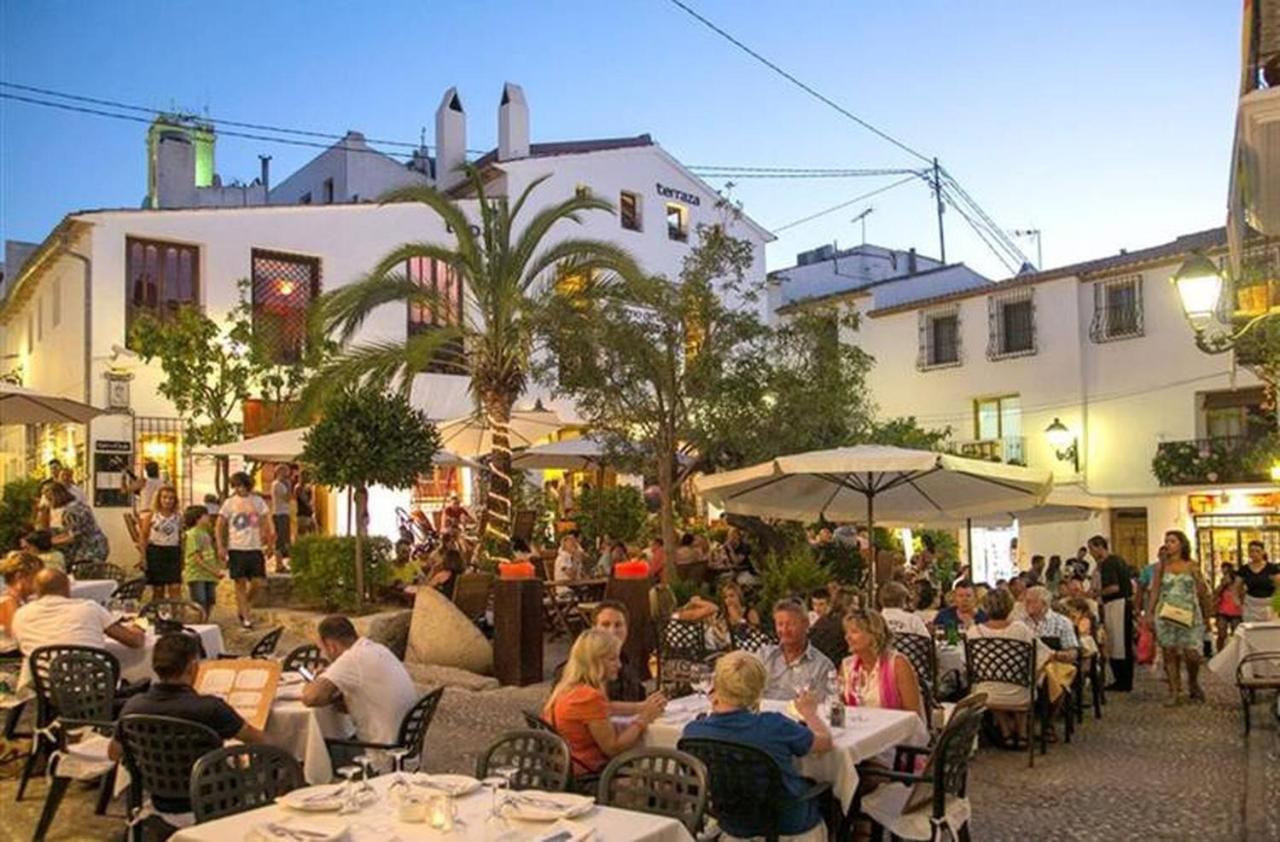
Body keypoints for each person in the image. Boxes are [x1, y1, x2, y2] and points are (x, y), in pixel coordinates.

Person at [681, 651, 832, 839]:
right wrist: (810, 713)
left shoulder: (693, 732)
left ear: (717, 686)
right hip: (786, 822)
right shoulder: (775, 726)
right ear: (759, 688)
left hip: (732, 822)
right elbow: (825, 743)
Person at [108, 633, 266, 812]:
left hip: (158, 795)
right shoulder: (210, 708)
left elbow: (114, 753)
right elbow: (258, 740)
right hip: (213, 797)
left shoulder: (133, 707)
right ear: (193, 667)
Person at [302, 615, 418, 770]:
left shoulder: (351, 659)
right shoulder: (376, 648)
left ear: (331, 646)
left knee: (310, 750)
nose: (324, 655)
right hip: (404, 748)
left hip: (380, 753)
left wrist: (312, 683)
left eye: (322, 649)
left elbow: (310, 697)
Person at [543, 629, 665, 776]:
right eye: (612, 659)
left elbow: (607, 707)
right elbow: (613, 748)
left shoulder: (567, 687)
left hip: (562, 768)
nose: (619, 665)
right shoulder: (588, 697)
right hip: (587, 774)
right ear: (594, 661)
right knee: (658, 780)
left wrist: (641, 706)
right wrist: (644, 719)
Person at [12, 569, 145, 692]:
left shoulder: (21, 614)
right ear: (68, 588)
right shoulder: (89, 608)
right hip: (93, 686)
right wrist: (139, 625)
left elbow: (21, 647)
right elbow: (135, 642)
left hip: (47, 687)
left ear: (37, 589)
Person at [966, 588, 1049, 748]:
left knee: (992, 682)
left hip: (985, 694)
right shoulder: (1021, 629)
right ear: (1011, 607)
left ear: (984, 607)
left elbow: (967, 664)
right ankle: (1022, 733)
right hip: (1019, 692)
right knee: (1024, 679)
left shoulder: (973, 632)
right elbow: (1042, 655)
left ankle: (1006, 732)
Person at [1147, 531, 1212, 706]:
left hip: (1189, 613)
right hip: (1166, 613)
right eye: (1166, 541)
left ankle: (1193, 681)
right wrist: (1149, 613)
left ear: (1181, 544)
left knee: (1192, 654)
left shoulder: (1192, 565)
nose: (1168, 544)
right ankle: (1174, 690)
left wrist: (1207, 615)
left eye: (1172, 541)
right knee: (1169, 652)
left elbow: (1202, 591)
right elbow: (1155, 591)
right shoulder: (1161, 567)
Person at [840, 609, 925, 721]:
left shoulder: (897, 664)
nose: (847, 637)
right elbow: (841, 707)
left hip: (897, 732)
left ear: (873, 635)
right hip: (860, 730)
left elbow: (913, 715)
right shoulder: (847, 666)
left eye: (854, 632)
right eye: (847, 632)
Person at [216, 471, 275, 630]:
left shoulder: (257, 501)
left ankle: (244, 605)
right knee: (239, 583)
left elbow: (266, 520)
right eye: (236, 486)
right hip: (236, 547)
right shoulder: (229, 503)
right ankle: (246, 617)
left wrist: (270, 543)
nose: (239, 489)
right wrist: (221, 546)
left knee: (258, 582)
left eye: (241, 486)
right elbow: (220, 524)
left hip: (254, 547)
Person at [758, 599, 835, 701]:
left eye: (791, 624)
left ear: (806, 624)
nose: (785, 630)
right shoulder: (764, 656)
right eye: (780, 624)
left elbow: (823, 707)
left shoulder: (822, 666)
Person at [1090, 535, 1135, 692]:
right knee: (1118, 643)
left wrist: (1095, 594)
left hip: (1117, 605)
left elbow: (1113, 587)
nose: (1091, 553)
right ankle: (1122, 679)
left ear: (1099, 547)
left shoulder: (1109, 563)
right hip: (1118, 604)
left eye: (1092, 549)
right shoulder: (1116, 560)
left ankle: (1123, 681)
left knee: (1119, 643)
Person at [590, 600, 656, 706]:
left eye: (618, 625)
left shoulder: (626, 661)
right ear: (593, 629)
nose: (612, 631)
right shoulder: (584, 668)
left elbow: (640, 698)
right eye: (605, 625)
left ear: (627, 629)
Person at [44, 481, 109, 569]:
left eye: (49, 499)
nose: (47, 503)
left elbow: (74, 537)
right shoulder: (77, 504)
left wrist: (50, 542)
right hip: (98, 544)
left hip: (91, 548)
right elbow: (71, 532)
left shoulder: (70, 512)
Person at [138, 484, 184, 600]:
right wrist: (143, 557)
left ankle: (175, 614)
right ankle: (158, 613)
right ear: (159, 499)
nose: (167, 501)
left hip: (173, 552)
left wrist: (183, 556)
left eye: (171, 498)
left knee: (175, 587)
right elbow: (143, 537)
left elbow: (181, 537)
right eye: (164, 497)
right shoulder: (151, 516)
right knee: (158, 589)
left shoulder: (178, 517)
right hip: (156, 552)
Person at [1, 551, 42, 656]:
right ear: (19, 577)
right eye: (36, 577)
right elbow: (17, 636)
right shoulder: (9, 602)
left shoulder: (20, 600)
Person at [182, 504, 221, 616]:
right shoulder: (193, 534)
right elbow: (196, 557)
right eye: (206, 515)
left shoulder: (205, 533)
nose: (208, 517)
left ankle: (206, 621)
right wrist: (213, 571)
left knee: (210, 600)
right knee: (200, 601)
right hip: (197, 574)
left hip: (208, 574)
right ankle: (200, 622)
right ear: (198, 517)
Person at [1238, 540, 1279, 622]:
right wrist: (1239, 603)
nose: (1254, 554)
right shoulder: (1244, 569)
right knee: (1251, 632)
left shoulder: (1272, 568)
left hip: (1268, 605)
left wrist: (1277, 604)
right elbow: (1236, 588)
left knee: (1269, 631)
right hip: (1250, 605)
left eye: (1257, 551)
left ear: (1263, 552)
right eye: (1251, 551)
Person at [1214, 563, 1244, 652]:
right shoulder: (1223, 586)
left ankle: (1235, 653)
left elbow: (1243, 597)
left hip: (1236, 613)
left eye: (1227, 574)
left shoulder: (1239, 585)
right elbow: (1215, 593)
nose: (1225, 577)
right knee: (1221, 634)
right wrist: (1222, 585)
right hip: (1222, 612)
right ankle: (1219, 652)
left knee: (1236, 635)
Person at [270, 464, 293, 572]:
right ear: (280, 472)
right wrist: (289, 486)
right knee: (281, 540)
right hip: (280, 514)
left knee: (285, 539)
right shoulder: (277, 485)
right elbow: (287, 498)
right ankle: (278, 564)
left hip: (284, 513)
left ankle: (282, 564)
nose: (288, 474)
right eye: (286, 472)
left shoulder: (281, 484)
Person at [293, 469, 317, 536]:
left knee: (313, 532)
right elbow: (305, 500)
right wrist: (311, 507)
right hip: (303, 513)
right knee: (302, 534)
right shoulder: (299, 487)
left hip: (309, 513)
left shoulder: (308, 487)